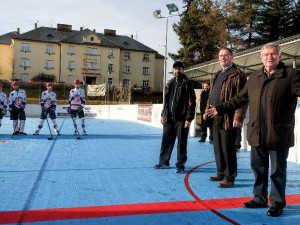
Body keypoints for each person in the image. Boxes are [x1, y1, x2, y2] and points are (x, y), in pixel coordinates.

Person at [207, 43, 300, 217]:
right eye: (266, 55)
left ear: (280, 56)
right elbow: (238, 99)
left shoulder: (291, 75)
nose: (269, 57)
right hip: (257, 132)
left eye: (273, 54)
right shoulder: (255, 78)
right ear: (261, 57)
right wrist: (219, 108)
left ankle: (277, 203)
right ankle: (259, 198)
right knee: (258, 168)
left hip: (278, 134)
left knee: (277, 171)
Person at [204, 48, 247, 188]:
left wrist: (238, 116)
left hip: (229, 117)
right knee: (217, 147)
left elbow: (242, 98)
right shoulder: (217, 74)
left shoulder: (238, 74)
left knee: (228, 148)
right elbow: (211, 95)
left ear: (232, 57)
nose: (223, 58)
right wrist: (206, 111)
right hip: (215, 116)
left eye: (226, 55)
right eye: (220, 56)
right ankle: (221, 172)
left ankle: (230, 176)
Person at [154, 61, 196, 174]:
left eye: (180, 68)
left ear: (183, 70)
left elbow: (192, 103)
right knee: (166, 140)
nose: (177, 71)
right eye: (176, 69)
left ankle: (180, 164)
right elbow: (166, 102)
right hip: (169, 118)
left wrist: (189, 118)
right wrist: (163, 114)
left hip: (181, 119)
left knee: (182, 142)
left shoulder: (187, 84)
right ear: (173, 70)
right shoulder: (170, 83)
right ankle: (164, 162)